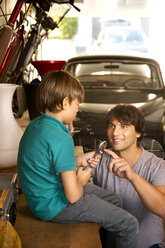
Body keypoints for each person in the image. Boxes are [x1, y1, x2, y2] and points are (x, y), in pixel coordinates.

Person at [17, 71, 139, 248]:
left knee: (116, 201)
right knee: (129, 224)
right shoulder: (61, 137)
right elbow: (73, 196)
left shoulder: (35, 125)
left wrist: (78, 160)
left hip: (39, 200)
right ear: (65, 102)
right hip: (54, 207)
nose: (77, 109)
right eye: (76, 104)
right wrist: (80, 180)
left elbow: (45, 161)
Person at [92, 104, 165, 248]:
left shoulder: (157, 165)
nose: (115, 133)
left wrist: (132, 176)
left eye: (124, 126)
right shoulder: (99, 160)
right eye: (111, 126)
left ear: (138, 132)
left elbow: (163, 208)